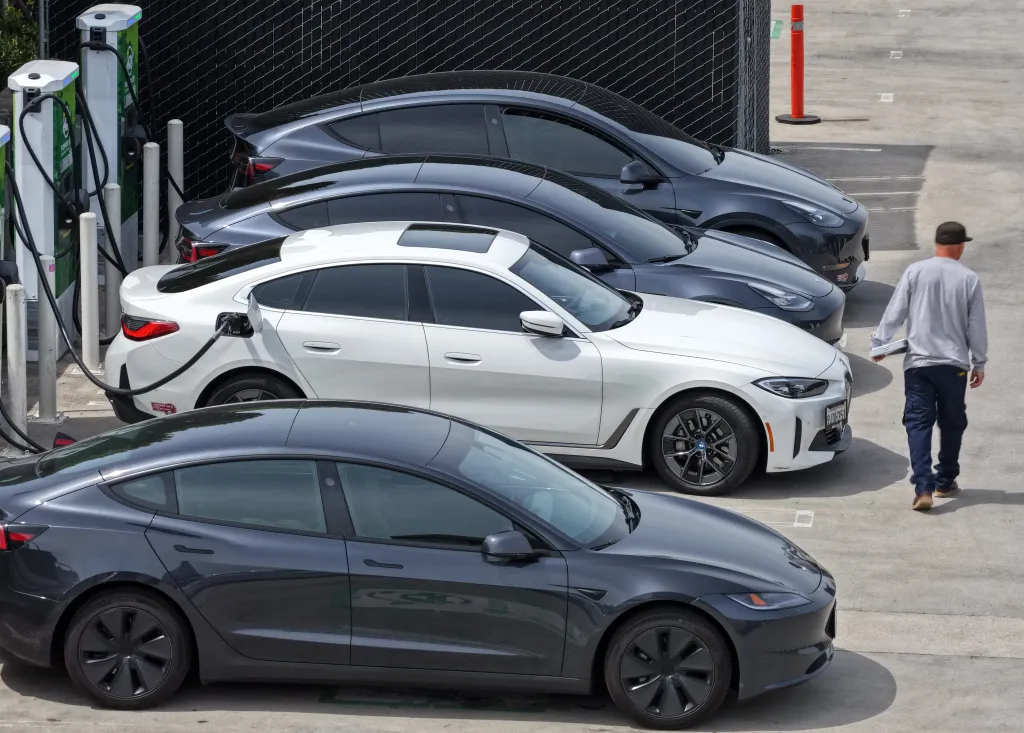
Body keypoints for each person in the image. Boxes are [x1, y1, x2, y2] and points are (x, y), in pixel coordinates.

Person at [871, 221, 987, 511]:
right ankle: (945, 481)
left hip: (919, 364)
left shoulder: (916, 271)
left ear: (937, 244)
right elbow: (977, 326)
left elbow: (895, 309)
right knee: (952, 423)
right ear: (960, 246)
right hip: (954, 366)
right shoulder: (969, 278)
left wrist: (880, 343)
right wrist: (979, 362)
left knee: (918, 423)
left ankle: (923, 487)